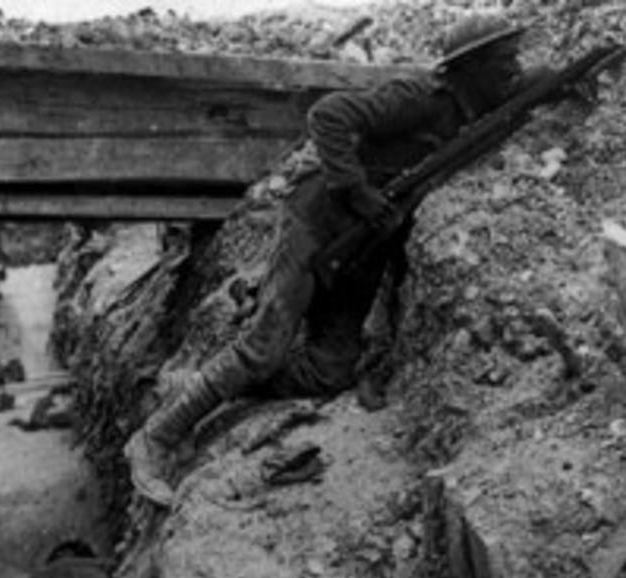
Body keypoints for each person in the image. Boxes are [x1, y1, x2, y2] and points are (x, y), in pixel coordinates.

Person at [124, 13, 581, 507]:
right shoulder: (419, 98)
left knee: (330, 372)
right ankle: (156, 437)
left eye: (515, 58)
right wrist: (356, 188)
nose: (514, 67)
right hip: (317, 222)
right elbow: (329, 114)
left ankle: (210, 385)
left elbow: (529, 86)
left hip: (363, 251)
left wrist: (567, 78)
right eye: (503, 60)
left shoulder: (483, 105)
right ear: (470, 67)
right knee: (263, 347)